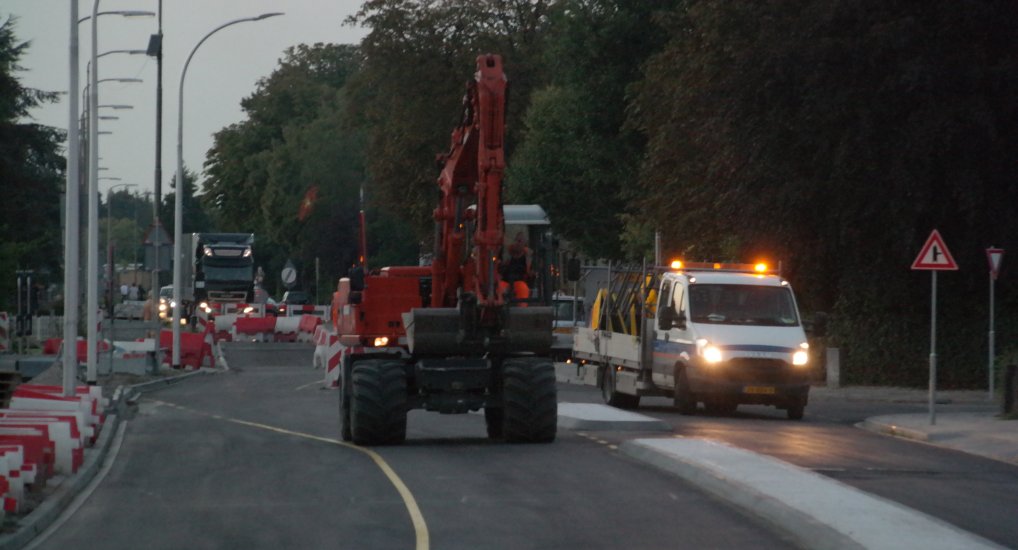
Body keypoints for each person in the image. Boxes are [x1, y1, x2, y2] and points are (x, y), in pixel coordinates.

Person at [501, 232, 532, 304]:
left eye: (520, 241)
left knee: (523, 289)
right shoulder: (507, 254)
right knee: (499, 287)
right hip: (505, 281)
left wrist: (528, 257)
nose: (517, 243)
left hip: (519, 282)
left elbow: (529, 272)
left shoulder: (527, 257)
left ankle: (522, 309)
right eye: (516, 240)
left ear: (524, 244)